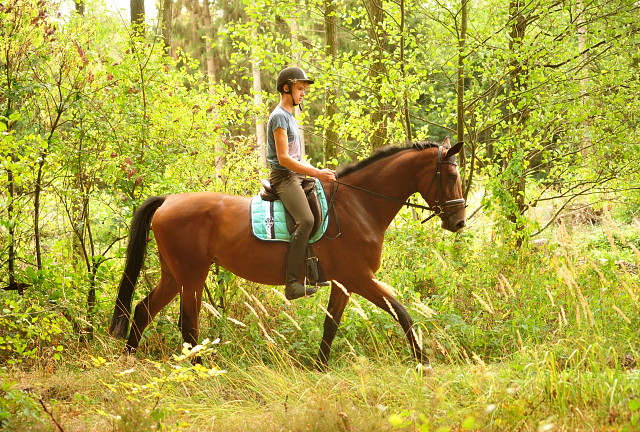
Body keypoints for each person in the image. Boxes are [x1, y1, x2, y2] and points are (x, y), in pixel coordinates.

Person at [266, 67, 336, 300]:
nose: (303, 93)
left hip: (295, 174)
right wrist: (315, 172)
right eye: (300, 88)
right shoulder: (278, 117)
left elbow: (297, 157)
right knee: (306, 220)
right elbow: (284, 158)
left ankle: (315, 269)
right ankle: (292, 283)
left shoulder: (290, 116)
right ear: (286, 88)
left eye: (304, 89)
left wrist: (317, 172)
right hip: (284, 177)